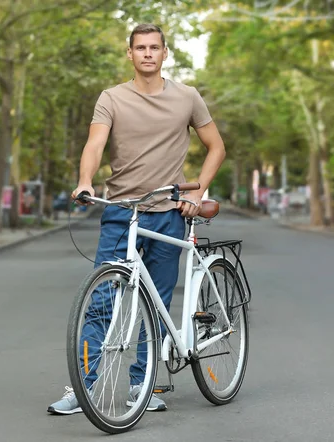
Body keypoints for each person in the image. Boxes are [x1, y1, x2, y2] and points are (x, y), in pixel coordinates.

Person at [48, 23, 226, 415]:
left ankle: (142, 385)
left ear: (165, 53)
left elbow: (216, 147)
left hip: (168, 214)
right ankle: (83, 387)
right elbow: (95, 143)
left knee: (157, 305)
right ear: (129, 54)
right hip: (121, 212)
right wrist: (84, 180)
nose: (147, 53)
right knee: (101, 302)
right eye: (140, 47)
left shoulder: (187, 97)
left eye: (154, 47)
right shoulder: (111, 98)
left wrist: (197, 192)